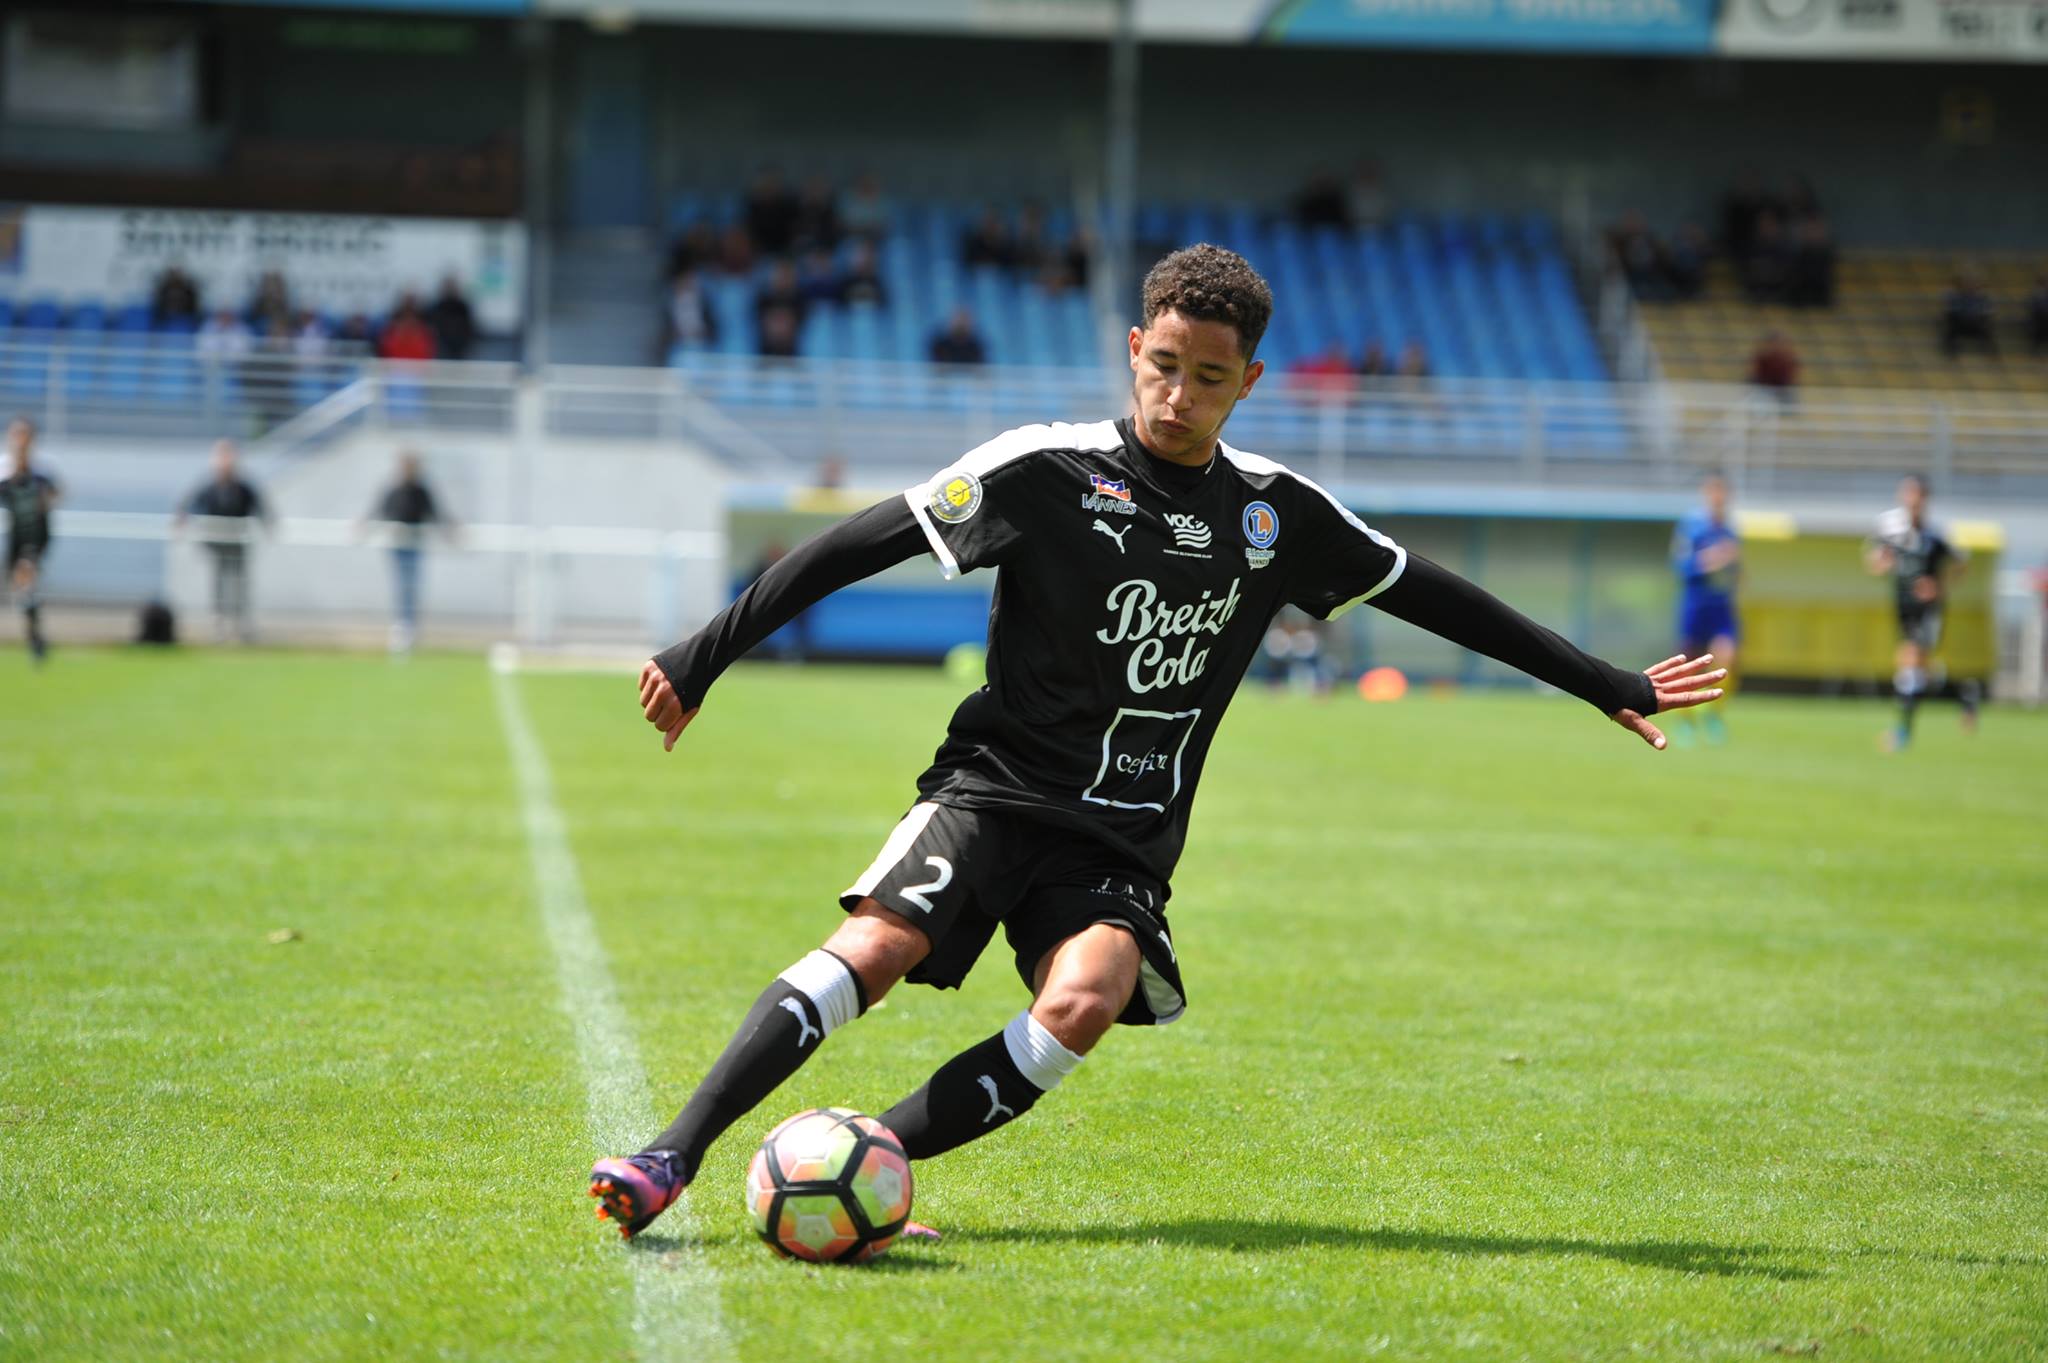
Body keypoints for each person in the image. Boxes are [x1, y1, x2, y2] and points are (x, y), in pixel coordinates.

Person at [587, 243, 1724, 1240]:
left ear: (1249, 382)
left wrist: (1601, 682)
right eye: (1162, 366)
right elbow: (856, 541)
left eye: (1209, 379)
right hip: (992, 789)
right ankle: (670, 1152)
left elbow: (1427, 596)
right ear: (1134, 347)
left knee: (1088, 994)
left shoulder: (1275, 515)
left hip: (1120, 838)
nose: (1177, 397)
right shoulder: (1045, 470)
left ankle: (860, 1157)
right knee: (879, 948)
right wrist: (702, 654)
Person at [1866, 475, 1975, 751]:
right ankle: (1965, 695)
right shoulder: (1889, 527)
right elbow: (1872, 562)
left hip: (1928, 610)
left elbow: (1962, 564)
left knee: (1909, 663)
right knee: (1918, 673)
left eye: (1918, 496)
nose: (1912, 501)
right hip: (1902, 606)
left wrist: (1938, 586)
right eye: (1908, 495)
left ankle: (1902, 733)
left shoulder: (1935, 535)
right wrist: (1881, 563)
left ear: (1925, 500)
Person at [1669, 473, 1741, 744]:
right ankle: (1685, 720)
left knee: (1728, 658)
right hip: (1695, 603)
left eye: (1722, 491)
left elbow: (1736, 569)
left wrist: (1736, 571)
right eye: (1714, 491)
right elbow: (1681, 566)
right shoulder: (1692, 527)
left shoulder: (1730, 530)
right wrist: (1712, 560)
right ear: (1706, 493)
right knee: (1688, 665)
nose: (1718, 497)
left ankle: (1715, 715)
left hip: (1721, 605)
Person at [175, 439, 268, 643]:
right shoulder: (209, 487)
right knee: (219, 583)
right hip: (218, 544)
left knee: (240, 583)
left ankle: (241, 624)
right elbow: (190, 504)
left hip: (239, 543)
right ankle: (220, 624)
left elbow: (260, 507)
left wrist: (267, 523)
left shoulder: (243, 487)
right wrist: (181, 519)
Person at [362, 450, 450, 655]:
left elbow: (435, 513)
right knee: (401, 586)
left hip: (415, 545)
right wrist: (365, 525)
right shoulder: (394, 489)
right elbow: (381, 510)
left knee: (410, 586)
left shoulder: (421, 491)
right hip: (397, 544)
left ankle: (409, 628)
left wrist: (450, 531)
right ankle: (401, 627)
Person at [2, 416, 59, 663]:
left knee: (26, 577)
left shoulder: (42, 470)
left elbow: (57, 493)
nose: (20, 441)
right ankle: (36, 637)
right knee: (21, 592)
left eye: (24, 435)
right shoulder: (4, 469)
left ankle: (36, 642)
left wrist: (45, 501)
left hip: (34, 535)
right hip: (11, 537)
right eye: (16, 435)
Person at [1941, 269, 1997, 358]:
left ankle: (1991, 355)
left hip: (1976, 324)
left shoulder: (1982, 296)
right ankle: (1951, 353)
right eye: (1966, 282)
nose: (1969, 285)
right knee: (1951, 327)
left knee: (1987, 329)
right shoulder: (1954, 295)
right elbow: (1950, 311)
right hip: (1960, 324)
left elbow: (1987, 312)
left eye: (1973, 282)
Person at [424, 275, 477, 361]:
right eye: (447, 286)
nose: (449, 289)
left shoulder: (462, 307)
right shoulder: (437, 307)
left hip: (460, 348)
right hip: (441, 347)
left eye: (451, 286)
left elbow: (470, 328)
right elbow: (431, 328)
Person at [1749, 331, 1799, 404]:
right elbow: (1756, 374)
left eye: (1779, 343)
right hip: (1764, 388)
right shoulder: (1762, 357)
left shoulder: (1788, 358)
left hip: (1782, 388)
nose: (1776, 346)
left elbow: (1790, 377)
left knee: (1791, 399)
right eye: (1774, 343)